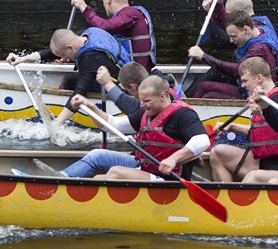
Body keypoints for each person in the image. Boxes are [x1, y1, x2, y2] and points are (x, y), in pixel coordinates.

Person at [62, 75, 209, 181]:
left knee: (115, 172)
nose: (142, 105)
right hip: (145, 168)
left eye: (146, 101)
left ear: (163, 96)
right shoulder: (146, 112)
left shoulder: (183, 115)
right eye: (140, 100)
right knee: (96, 155)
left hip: (169, 179)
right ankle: (59, 180)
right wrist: (90, 106)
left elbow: (202, 141)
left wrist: (173, 159)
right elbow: (112, 125)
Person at [6, 27, 132, 127]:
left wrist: (56, 123)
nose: (62, 58)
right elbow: (52, 53)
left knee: (71, 80)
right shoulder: (87, 34)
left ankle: (62, 111)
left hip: (121, 91)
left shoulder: (90, 57)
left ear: (70, 48)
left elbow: (80, 92)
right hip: (122, 74)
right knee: (71, 78)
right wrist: (22, 59)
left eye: (62, 55)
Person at [209, 57, 278, 182]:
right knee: (218, 152)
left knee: (251, 179)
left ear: (259, 78)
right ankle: (223, 197)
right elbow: (264, 131)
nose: (242, 85)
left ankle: (237, 200)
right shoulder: (261, 99)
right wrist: (232, 126)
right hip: (264, 161)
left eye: (245, 80)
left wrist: (262, 112)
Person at [185, 10, 278, 99]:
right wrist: (218, 2)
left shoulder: (259, 49)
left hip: (260, 93)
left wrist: (204, 56)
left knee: (204, 88)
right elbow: (225, 21)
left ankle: (187, 109)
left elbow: (237, 70)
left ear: (245, 29)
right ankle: (183, 99)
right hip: (249, 81)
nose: (230, 40)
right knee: (213, 72)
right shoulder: (258, 24)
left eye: (233, 36)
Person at [70, 0, 157, 73]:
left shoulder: (131, 14)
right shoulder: (131, 15)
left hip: (134, 74)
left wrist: (83, 7)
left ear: (108, 0)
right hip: (133, 71)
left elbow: (103, 27)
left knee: (71, 79)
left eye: (103, 2)